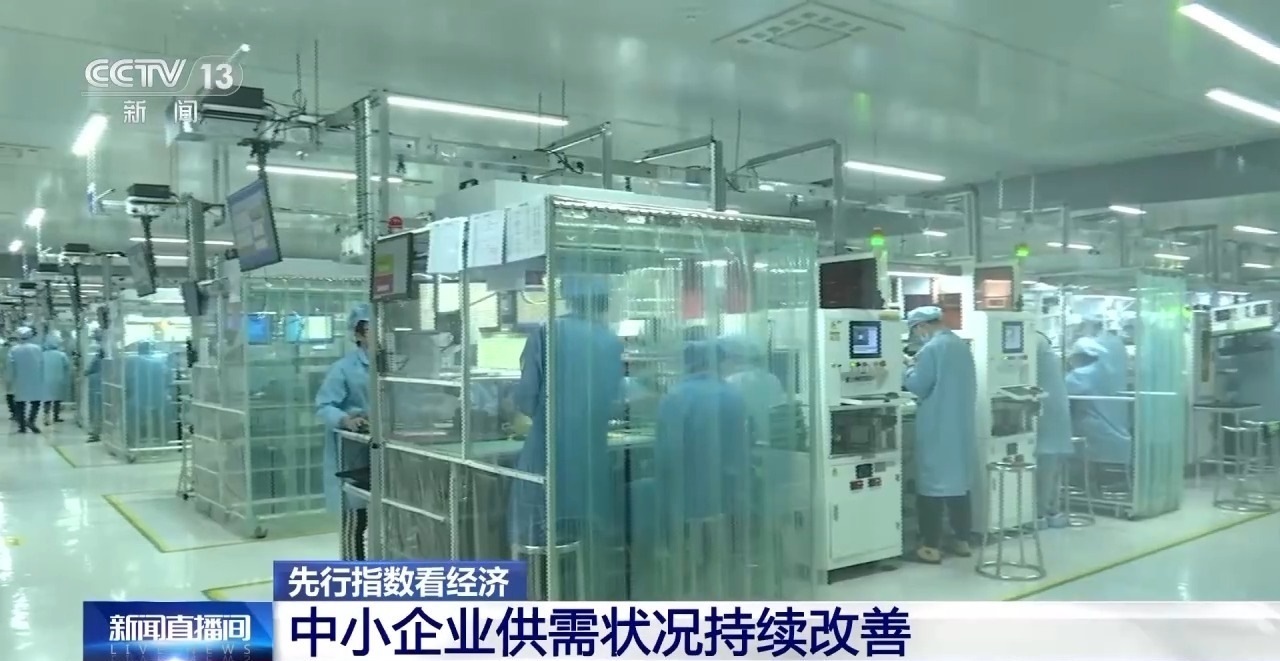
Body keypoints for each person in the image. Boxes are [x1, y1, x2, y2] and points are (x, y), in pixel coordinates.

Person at [508, 273, 624, 599]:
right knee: (585, 533)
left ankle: (542, 603)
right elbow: (614, 400)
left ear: (567, 296)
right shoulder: (609, 340)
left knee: (539, 534)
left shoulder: (548, 332)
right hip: (591, 455)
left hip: (547, 452)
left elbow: (527, 398)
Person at [652, 339, 752, 597]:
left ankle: (679, 580)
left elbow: (667, 453)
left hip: (689, 496)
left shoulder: (676, 397)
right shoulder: (734, 395)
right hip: (729, 494)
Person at [902, 305, 976, 564]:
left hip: (937, 426)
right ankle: (962, 539)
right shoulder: (960, 346)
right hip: (961, 426)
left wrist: (906, 368)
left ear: (921, 326)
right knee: (958, 484)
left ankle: (930, 546)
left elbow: (918, 386)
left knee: (931, 484)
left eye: (915, 331)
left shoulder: (932, 349)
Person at [315, 304, 372, 560]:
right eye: (371, 329)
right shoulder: (344, 368)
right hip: (354, 454)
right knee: (355, 520)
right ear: (358, 334)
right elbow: (324, 406)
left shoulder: (394, 365)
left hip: (387, 451)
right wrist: (345, 419)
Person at [1066, 337, 1133, 467]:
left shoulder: (1083, 374)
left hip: (1096, 441)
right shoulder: (1111, 374)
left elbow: (1060, 390)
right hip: (1119, 442)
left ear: (1081, 356)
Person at [1034, 331, 1074, 527]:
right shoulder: (1046, 351)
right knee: (1053, 467)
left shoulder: (1034, 341)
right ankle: (1052, 511)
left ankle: (1039, 514)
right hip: (1056, 413)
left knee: (1045, 467)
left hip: (1046, 413)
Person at [719, 334, 787, 446]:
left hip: (745, 445)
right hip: (774, 442)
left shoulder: (732, 382)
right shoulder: (772, 379)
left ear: (735, 358)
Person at [7, 327, 45, 433]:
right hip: (35, 378)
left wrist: (9, 380)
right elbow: (42, 364)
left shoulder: (14, 350)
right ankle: (31, 420)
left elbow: (10, 366)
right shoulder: (37, 348)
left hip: (19, 379)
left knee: (20, 403)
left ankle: (22, 426)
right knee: (36, 401)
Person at [41, 335, 71, 426]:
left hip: (45, 379)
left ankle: (46, 416)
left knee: (47, 399)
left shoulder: (42, 355)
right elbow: (67, 365)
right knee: (57, 399)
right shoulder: (62, 355)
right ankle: (56, 416)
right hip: (58, 379)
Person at [85, 330, 105, 442]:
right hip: (101, 388)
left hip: (98, 388)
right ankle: (98, 431)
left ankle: (96, 432)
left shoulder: (99, 357)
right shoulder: (99, 355)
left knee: (97, 410)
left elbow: (88, 370)